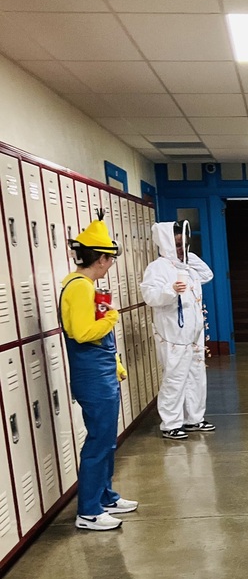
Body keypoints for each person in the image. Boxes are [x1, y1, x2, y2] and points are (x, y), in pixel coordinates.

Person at [61, 214, 137, 531]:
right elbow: (81, 332)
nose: (110, 264)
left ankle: (105, 496)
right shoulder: (79, 288)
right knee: (97, 443)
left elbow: (97, 336)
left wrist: (115, 364)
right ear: (102, 259)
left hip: (102, 373)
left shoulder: (85, 285)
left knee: (107, 441)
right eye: (110, 259)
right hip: (92, 378)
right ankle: (89, 510)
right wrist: (112, 318)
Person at [140, 220, 215, 439]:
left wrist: (187, 257)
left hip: (193, 332)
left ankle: (194, 418)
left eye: (184, 244)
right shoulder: (157, 268)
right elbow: (150, 296)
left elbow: (207, 275)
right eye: (178, 244)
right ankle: (171, 422)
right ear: (166, 243)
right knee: (175, 377)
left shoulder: (187, 265)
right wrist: (170, 290)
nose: (182, 248)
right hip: (173, 333)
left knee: (196, 375)